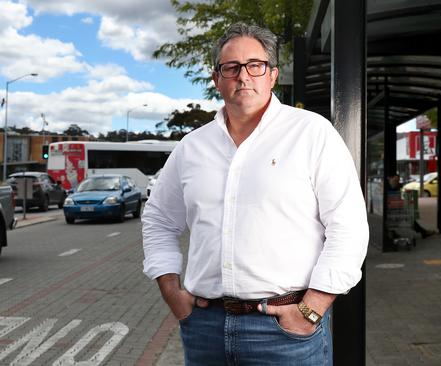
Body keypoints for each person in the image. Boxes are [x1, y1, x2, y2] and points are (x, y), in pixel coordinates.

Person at [142, 22, 369, 365]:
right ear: (217, 78)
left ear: (273, 74)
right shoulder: (192, 147)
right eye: (231, 67)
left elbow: (349, 227)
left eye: (255, 65)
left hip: (285, 332)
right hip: (205, 328)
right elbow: (158, 219)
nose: (243, 76)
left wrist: (312, 309)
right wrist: (171, 291)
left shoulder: (311, 133)